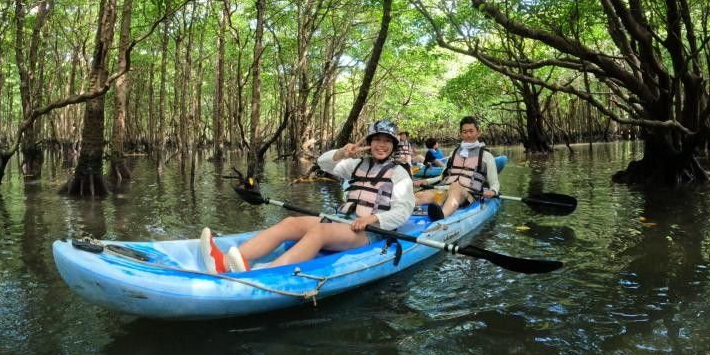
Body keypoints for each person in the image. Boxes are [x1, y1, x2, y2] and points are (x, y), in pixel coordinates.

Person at [201, 118, 415, 273]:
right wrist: (342, 152)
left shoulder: (399, 173)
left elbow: (403, 211)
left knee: (321, 231)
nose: (381, 145)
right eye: (376, 139)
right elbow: (323, 162)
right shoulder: (356, 164)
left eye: (387, 141)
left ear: (394, 145)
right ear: (369, 142)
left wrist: (373, 218)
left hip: (370, 232)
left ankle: (267, 272)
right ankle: (226, 262)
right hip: (344, 222)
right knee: (289, 224)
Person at [413, 116, 499, 218]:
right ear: (461, 133)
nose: (468, 135)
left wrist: (492, 191)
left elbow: (495, 183)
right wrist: (426, 181)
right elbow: (442, 177)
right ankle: (398, 211)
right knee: (421, 195)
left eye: (471, 131)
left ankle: (442, 215)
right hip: (445, 190)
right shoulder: (454, 153)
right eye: (464, 132)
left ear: (478, 132)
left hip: (469, 195)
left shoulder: (486, 156)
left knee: (455, 186)